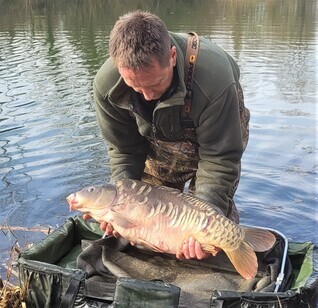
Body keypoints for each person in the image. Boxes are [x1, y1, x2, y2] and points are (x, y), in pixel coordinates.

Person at [91, 10, 250, 260]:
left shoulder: (215, 81)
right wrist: (120, 206)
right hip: (157, 139)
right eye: (135, 86)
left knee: (214, 242)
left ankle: (230, 236)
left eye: (155, 84)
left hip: (216, 140)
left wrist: (202, 221)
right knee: (144, 233)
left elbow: (219, 160)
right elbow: (124, 151)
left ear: (173, 57)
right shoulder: (107, 86)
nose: (146, 96)